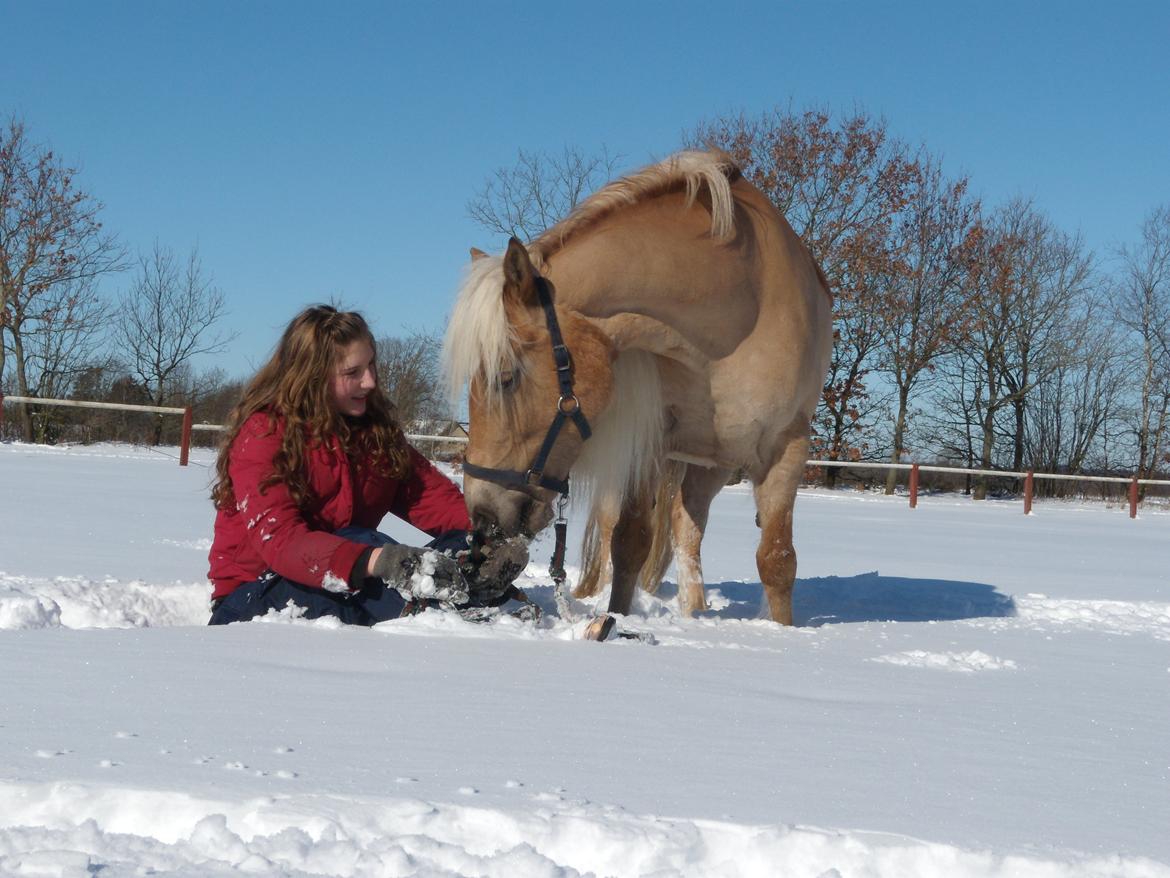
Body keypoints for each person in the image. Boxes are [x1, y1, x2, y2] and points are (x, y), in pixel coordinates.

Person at [206, 305, 525, 626]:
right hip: (256, 595)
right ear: (312, 377)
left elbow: (433, 499)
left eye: (371, 365)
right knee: (368, 544)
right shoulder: (265, 434)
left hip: (351, 576)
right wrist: (377, 560)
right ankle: (449, 608)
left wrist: (491, 537)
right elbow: (281, 541)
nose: (370, 381)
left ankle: (462, 596)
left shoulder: (375, 433)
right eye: (352, 373)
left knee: (460, 547)